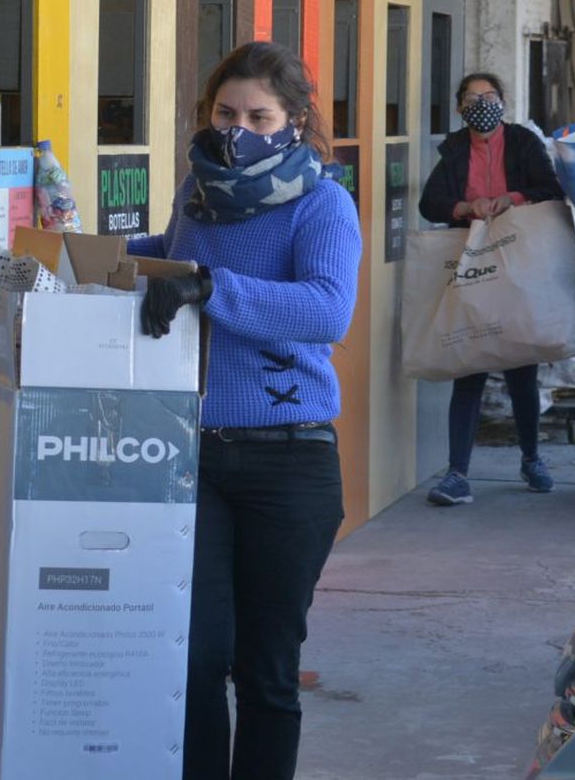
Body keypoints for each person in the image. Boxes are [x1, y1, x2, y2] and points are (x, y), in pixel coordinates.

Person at [131, 41, 361, 780]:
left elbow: (327, 309)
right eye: (225, 112)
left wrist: (210, 287)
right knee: (193, 660)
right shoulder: (195, 193)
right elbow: (173, 255)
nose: (238, 127)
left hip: (287, 461)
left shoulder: (324, 202)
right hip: (192, 452)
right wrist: (91, 253)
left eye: (259, 115)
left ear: (294, 121)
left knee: (266, 670)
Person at [417, 72, 566, 506]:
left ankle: (532, 457)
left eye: (490, 96)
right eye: (471, 97)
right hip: (471, 263)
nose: (482, 103)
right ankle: (457, 474)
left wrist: (511, 199)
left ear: (503, 100)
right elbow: (431, 202)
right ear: (460, 107)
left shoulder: (522, 142)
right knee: (470, 365)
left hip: (519, 262)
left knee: (522, 366)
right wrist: (464, 206)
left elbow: (550, 190)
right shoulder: (454, 148)